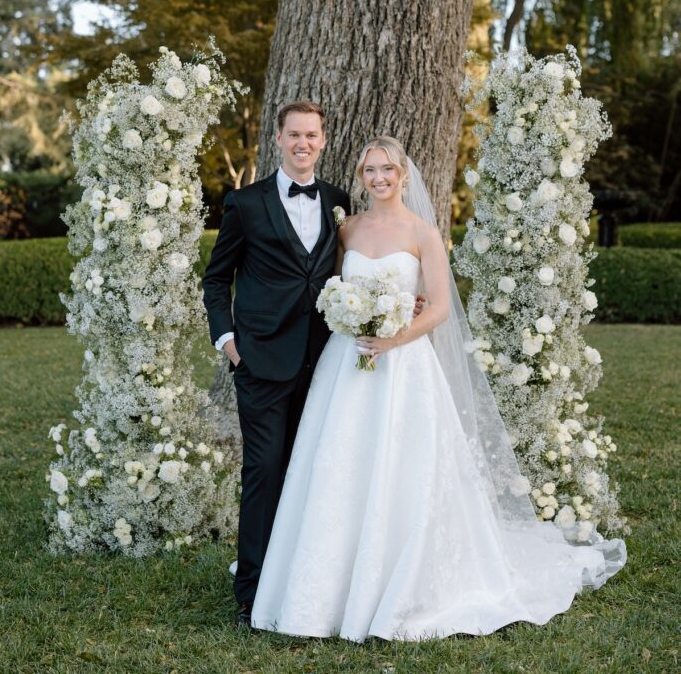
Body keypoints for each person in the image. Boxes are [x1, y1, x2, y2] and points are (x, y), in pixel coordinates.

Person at [251, 136, 626, 641]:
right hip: (345, 364)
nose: (378, 178)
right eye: (369, 170)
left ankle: (396, 582)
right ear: (360, 176)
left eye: (387, 169)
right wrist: (349, 316)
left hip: (402, 367)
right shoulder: (346, 230)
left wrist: (392, 337)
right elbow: (329, 288)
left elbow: (441, 309)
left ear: (404, 175)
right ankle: (325, 588)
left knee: (403, 470)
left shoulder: (424, 234)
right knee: (339, 466)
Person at [202, 101, 350, 627]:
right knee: (263, 470)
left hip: (326, 361)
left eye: (312, 135)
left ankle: (305, 580)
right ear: (279, 139)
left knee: (312, 470)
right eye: (294, 135)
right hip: (260, 358)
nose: (303, 143)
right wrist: (228, 341)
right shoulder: (245, 203)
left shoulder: (339, 201)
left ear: (324, 141)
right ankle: (252, 592)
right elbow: (216, 278)